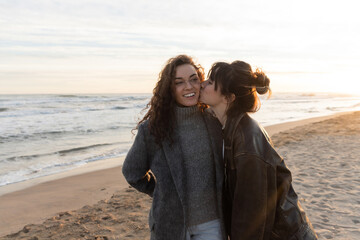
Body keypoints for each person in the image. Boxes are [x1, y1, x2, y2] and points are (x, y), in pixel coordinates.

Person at [199, 60, 318, 240]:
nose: (202, 84)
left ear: (229, 97)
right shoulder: (232, 126)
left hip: (287, 235)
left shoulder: (247, 142)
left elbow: (251, 216)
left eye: (210, 83)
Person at [122, 55, 226, 240]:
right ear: (170, 88)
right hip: (170, 226)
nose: (188, 87)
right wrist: (161, 192)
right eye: (179, 82)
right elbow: (132, 172)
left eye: (194, 79)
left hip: (212, 225)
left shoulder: (214, 122)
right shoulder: (152, 130)